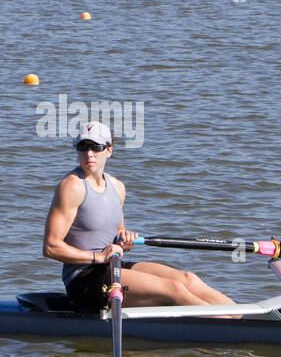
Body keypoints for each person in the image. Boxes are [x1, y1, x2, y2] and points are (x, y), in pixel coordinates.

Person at [42, 121, 235, 311]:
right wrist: (98, 257)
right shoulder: (72, 186)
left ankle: (243, 317)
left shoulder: (118, 187)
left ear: (109, 150)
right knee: (174, 290)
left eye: (96, 147)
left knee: (188, 280)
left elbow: (118, 236)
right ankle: (232, 331)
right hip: (84, 279)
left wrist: (125, 241)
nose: (89, 154)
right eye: (83, 147)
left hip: (113, 266)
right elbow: (51, 247)